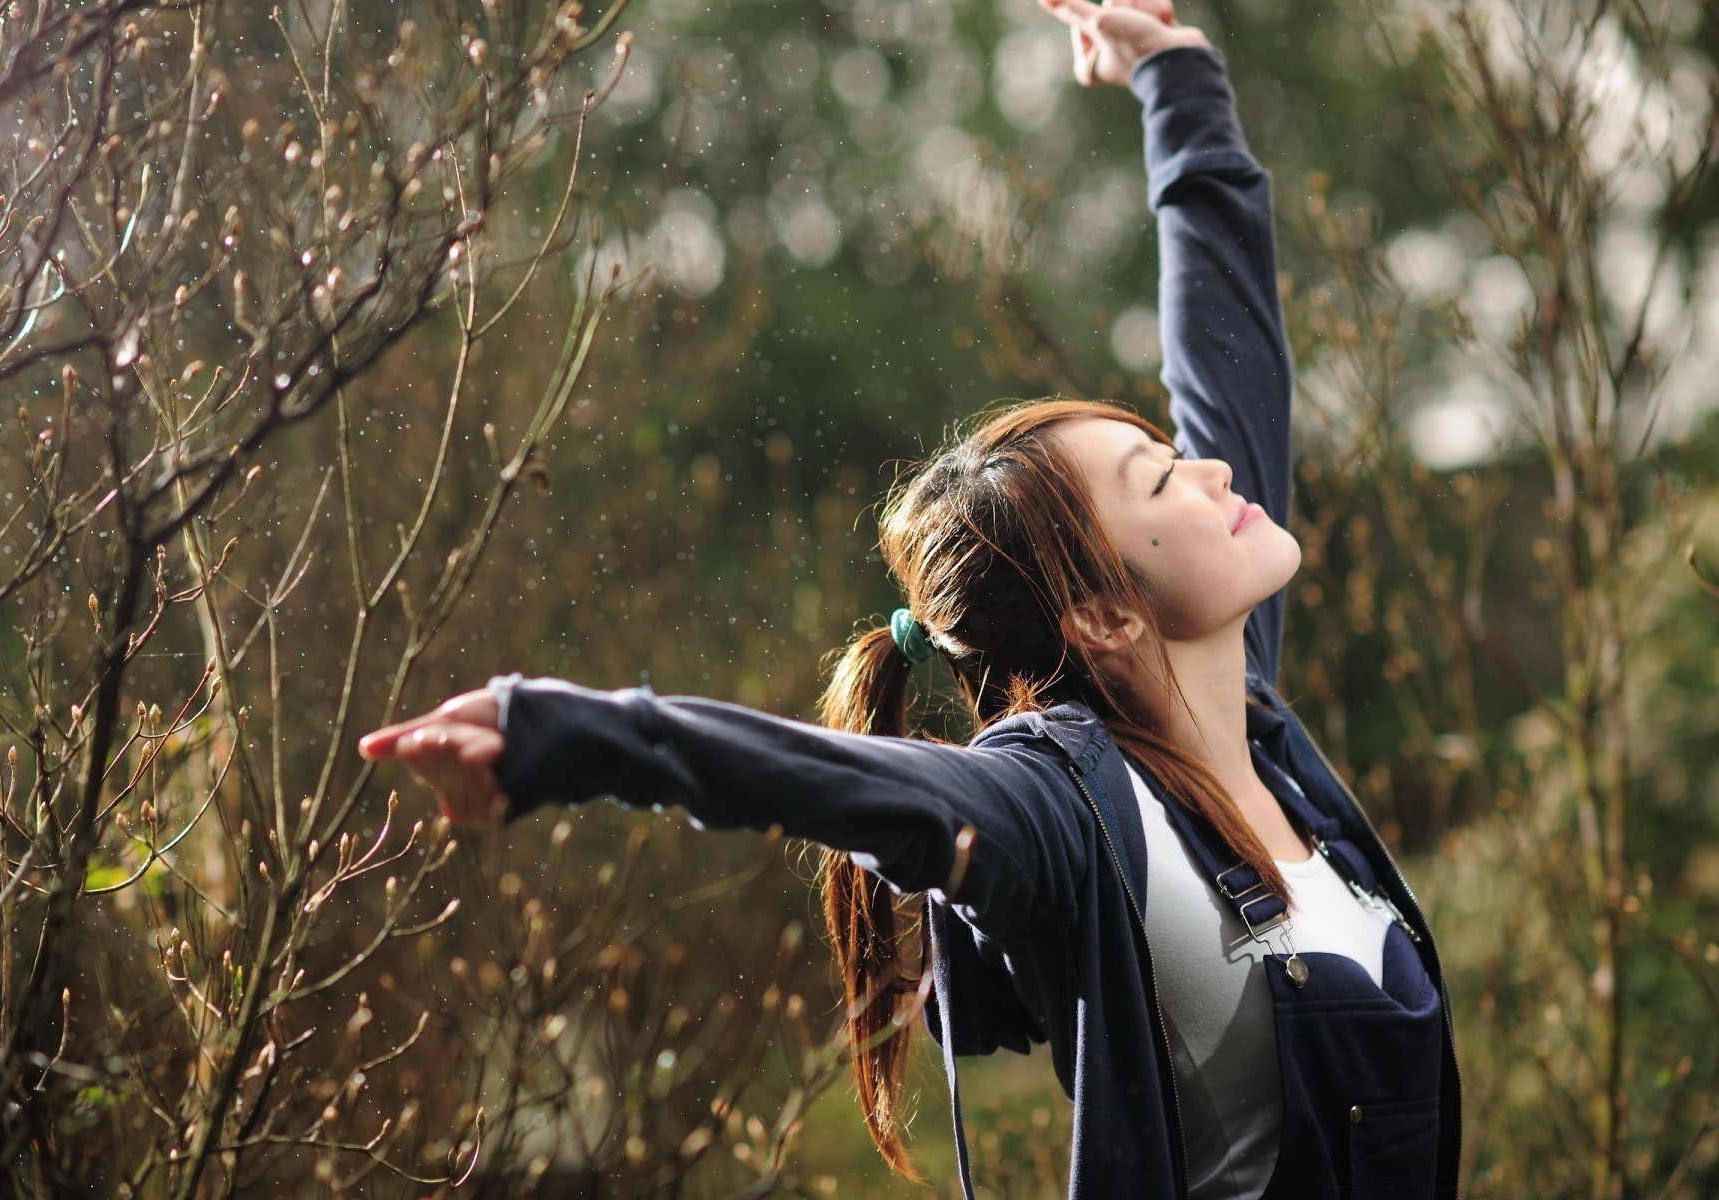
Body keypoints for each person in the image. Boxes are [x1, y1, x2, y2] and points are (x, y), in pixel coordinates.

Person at [359, 1, 1462, 1195]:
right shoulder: (1063, 811)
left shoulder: (1252, 726)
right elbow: (836, 781)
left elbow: (1228, 348)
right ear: (1103, 615)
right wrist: (558, 734)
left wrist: (1176, 76)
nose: (1212, 470)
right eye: (1161, 475)